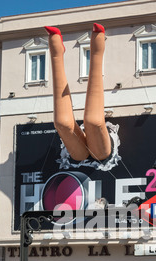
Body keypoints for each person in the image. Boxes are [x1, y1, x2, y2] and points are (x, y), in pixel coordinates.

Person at [45, 23, 112, 166]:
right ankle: (56, 52)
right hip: (80, 155)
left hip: (101, 153)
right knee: (63, 123)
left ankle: (94, 49)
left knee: (92, 121)